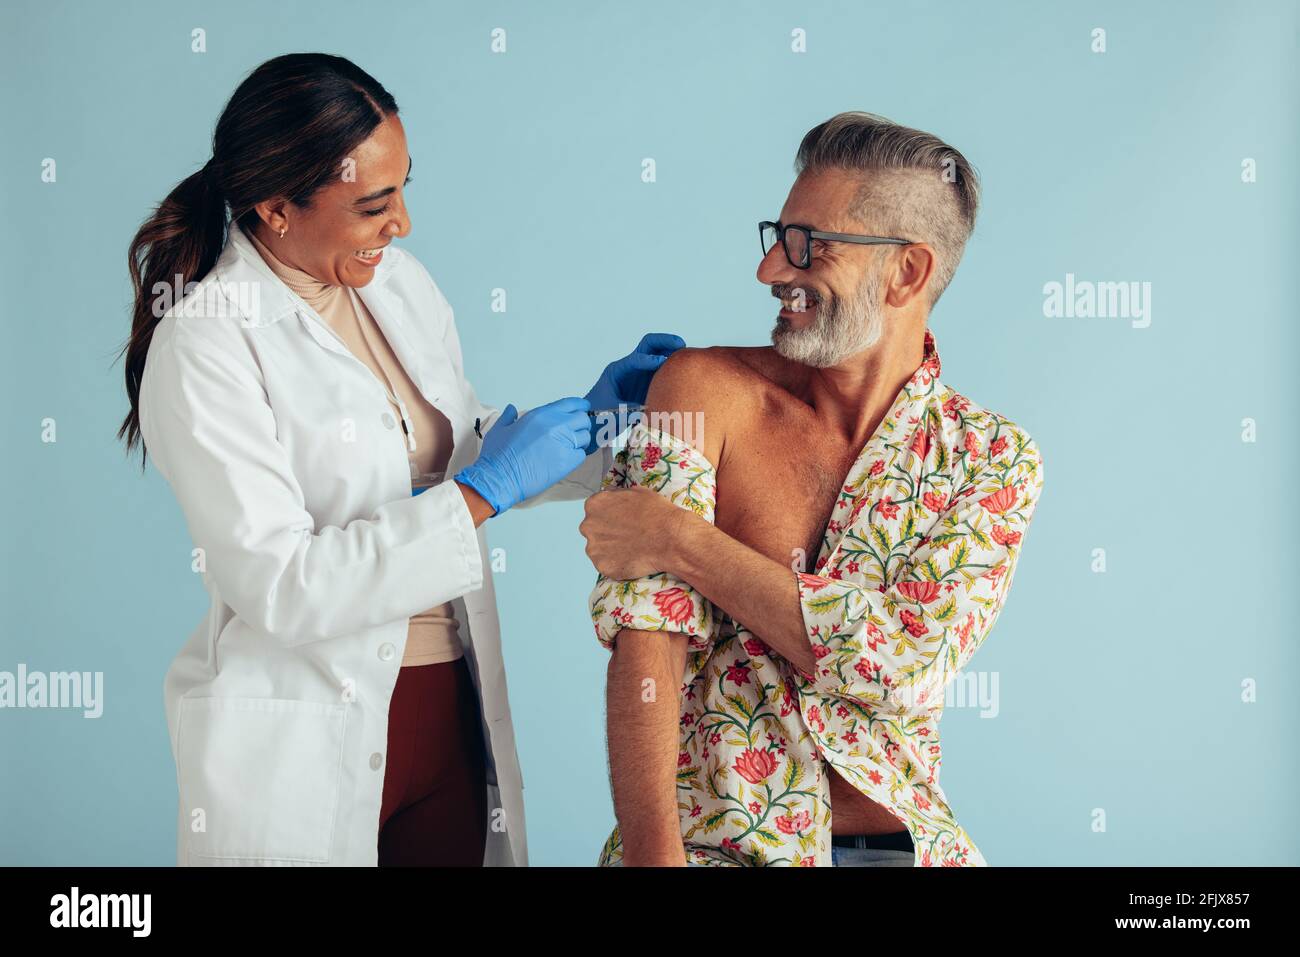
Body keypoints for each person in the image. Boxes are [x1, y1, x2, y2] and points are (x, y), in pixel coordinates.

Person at [116, 52, 680, 866]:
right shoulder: (204, 343)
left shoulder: (397, 284)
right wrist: (485, 492)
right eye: (374, 203)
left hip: (447, 709)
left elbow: (448, 444)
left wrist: (594, 428)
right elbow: (280, 584)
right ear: (276, 207)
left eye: (405, 186)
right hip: (305, 730)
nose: (403, 222)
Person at [579, 112, 1044, 867]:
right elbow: (646, 648)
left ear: (908, 272)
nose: (771, 270)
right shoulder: (703, 389)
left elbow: (900, 664)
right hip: (711, 848)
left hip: (907, 847)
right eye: (777, 235)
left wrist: (682, 539)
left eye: (808, 245)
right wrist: (651, 860)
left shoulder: (994, 459)